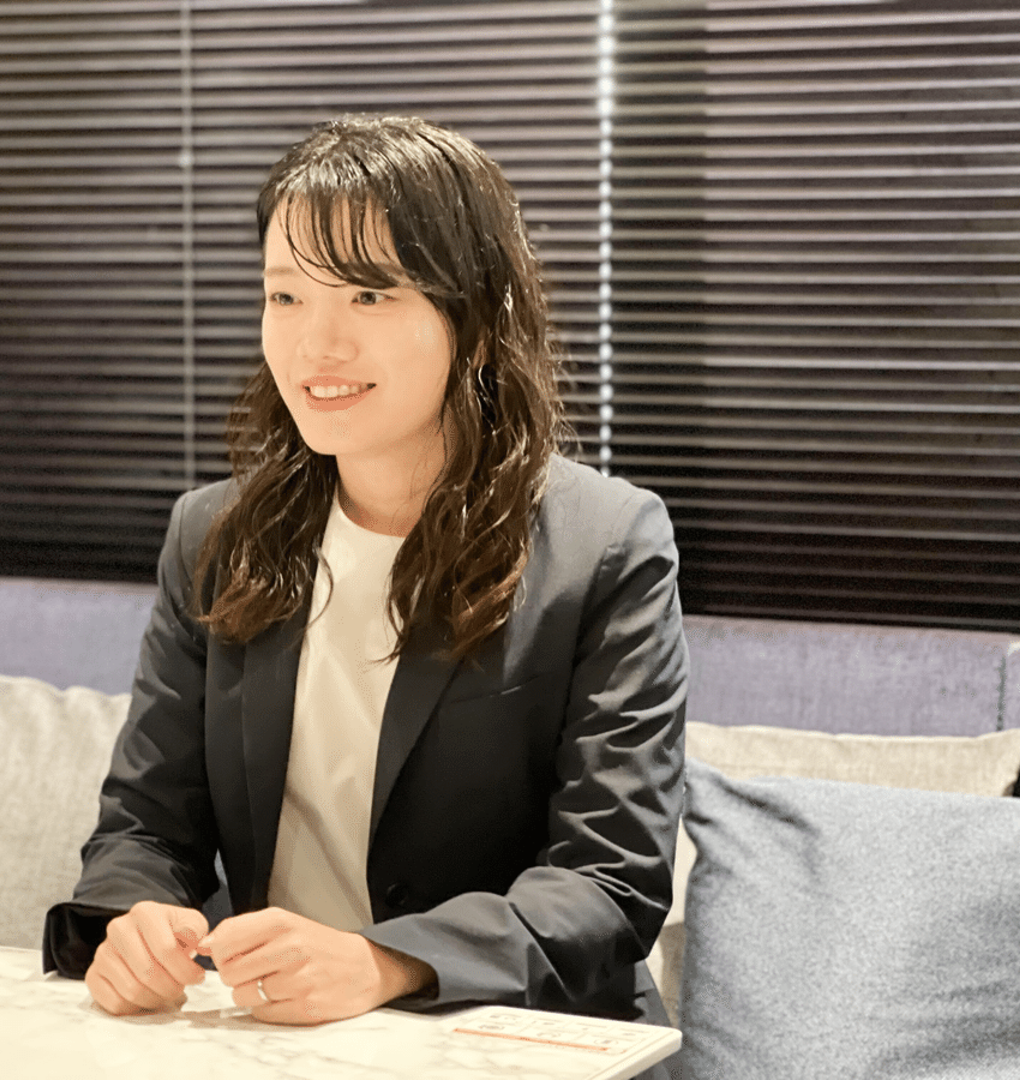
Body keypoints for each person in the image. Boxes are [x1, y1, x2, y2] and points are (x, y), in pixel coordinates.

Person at [43, 114, 688, 1068]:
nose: (317, 343)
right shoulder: (213, 536)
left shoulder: (606, 544)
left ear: (476, 318)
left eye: (369, 293)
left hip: (515, 1045)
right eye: (285, 295)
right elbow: (147, 824)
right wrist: (132, 918)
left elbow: (608, 882)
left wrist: (386, 962)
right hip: (279, 1044)